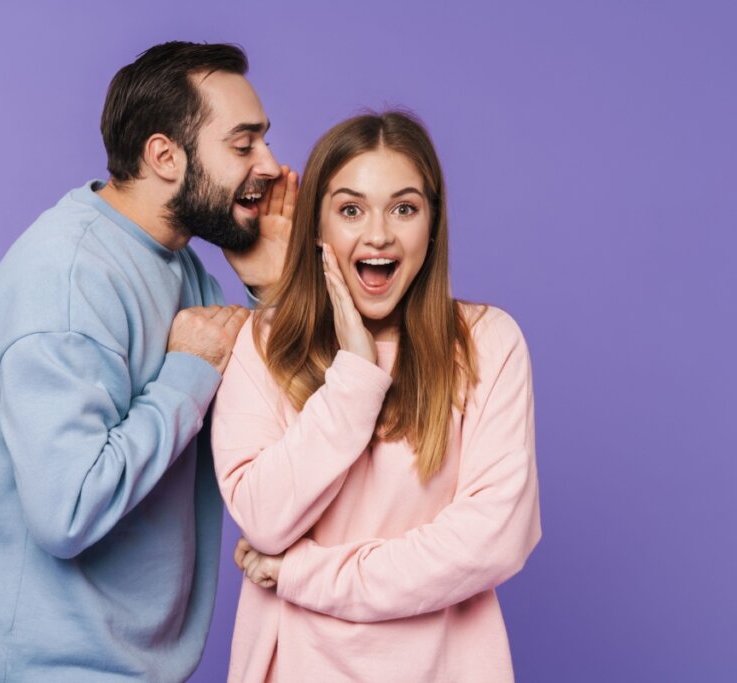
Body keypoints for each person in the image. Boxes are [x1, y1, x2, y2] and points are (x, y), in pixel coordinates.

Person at [0, 41, 297, 683]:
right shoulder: (70, 277)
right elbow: (67, 510)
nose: (270, 166)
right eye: (243, 145)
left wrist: (270, 292)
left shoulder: (180, 263)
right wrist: (187, 373)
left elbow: (269, 443)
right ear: (164, 155)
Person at [211, 111, 541, 682]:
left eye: (404, 208)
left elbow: (490, 543)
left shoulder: (488, 342)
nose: (379, 234)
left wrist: (302, 573)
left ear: (432, 226)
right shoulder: (262, 345)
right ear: (317, 226)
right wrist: (355, 378)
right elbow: (263, 520)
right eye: (351, 209)